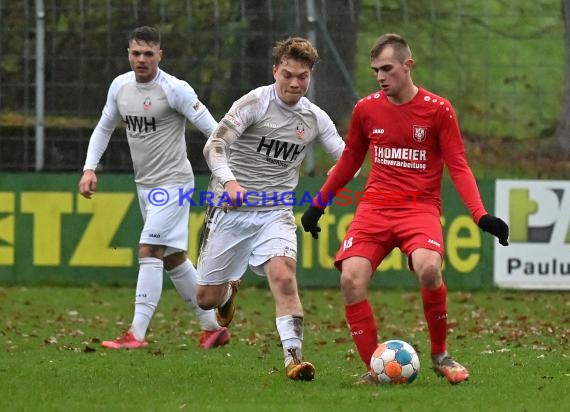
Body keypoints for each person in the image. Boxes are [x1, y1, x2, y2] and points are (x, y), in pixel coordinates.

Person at [301, 33, 509, 385]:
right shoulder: (366, 109)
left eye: (387, 68)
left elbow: (458, 164)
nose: (380, 77)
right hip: (375, 208)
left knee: (429, 269)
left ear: (407, 66)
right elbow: (351, 160)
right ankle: (376, 368)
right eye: (375, 71)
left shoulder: (438, 109)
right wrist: (319, 204)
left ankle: (441, 354)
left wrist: (480, 215)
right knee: (351, 278)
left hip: (419, 209)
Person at [195, 37, 345, 380]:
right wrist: (230, 183)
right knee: (205, 298)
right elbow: (214, 146)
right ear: (275, 70)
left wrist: (340, 169)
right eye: (288, 75)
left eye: (302, 77)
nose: (295, 83)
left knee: (284, 276)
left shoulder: (314, 117)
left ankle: (294, 359)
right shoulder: (254, 103)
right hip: (230, 209)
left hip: (275, 211)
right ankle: (226, 293)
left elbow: (345, 155)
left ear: (310, 77)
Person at [78, 26, 230, 350]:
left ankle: (136, 333)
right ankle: (213, 326)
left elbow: (214, 131)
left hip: (174, 183)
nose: (142, 59)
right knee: (174, 257)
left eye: (149, 53)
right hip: (145, 185)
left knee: (149, 249)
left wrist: (229, 172)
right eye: (136, 53)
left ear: (160, 54)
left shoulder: (176, 90)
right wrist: (89, 168)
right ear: (128, 54)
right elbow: (104, 127)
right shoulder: (120, 87)